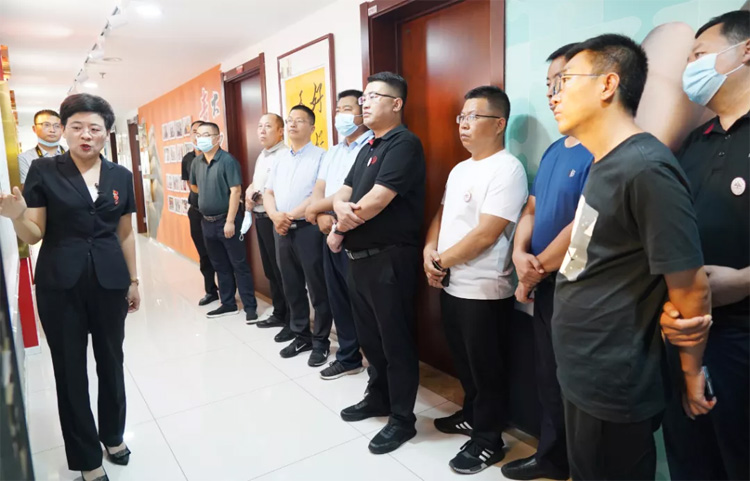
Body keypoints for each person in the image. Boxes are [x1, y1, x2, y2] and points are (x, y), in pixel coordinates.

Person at [549, 34, 714, 480]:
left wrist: (691, 373)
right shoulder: (605, 161)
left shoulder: (647, 167)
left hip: (613, 378)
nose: (555, 96)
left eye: (565, 81)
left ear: (607, 84)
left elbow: (691, 288)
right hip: (582, 365)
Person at [0, 94, 140, 481]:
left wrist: (133, 281)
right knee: (70, 371)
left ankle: (113, 435)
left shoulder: (120, 175)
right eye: (76, 126)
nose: (85, 135)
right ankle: (87, 458)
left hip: (110, 282)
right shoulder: (45, 170)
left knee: (112, 361)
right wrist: (17, 217)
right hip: (60, 285)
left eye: (94, 128)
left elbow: (125, 233)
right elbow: (35, 232)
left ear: (106, 133)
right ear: (64, 130)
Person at [660, 11, 749, 481]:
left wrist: (744, 280)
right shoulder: (693, 143)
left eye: (699, 54)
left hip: (742, 335)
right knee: (690, 456)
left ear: (745, 51)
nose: (689, 67)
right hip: (686, 331)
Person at [423, 85, 527, 474]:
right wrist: (429, 250)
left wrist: (440, 261)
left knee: (486, 369)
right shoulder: (460, 168)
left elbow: (486, 233)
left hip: (484, 290)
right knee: (465, 362)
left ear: (499, 123)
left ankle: (489, 441)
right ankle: (471, 416)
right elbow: (442, 214)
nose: (463, 124)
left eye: (473, 117)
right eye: (462, 117)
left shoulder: (508, 169)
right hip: (451, 282)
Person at [503, 44, 593, 481]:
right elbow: (533, 208)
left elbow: (584, 225)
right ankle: (552, 459)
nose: (553, 91)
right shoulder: (556, 149)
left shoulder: (603, 150)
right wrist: (519, 254)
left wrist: (533, 267)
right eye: (549, 84)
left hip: (579, 286)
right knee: (549, 375)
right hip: (543, 282)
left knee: (578, 384)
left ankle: (580, 465)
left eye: (562, 80)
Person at [329, 72, 425, 455]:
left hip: (389, 259)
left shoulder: (404, 144)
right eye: (364, 97)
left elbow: (378, 200)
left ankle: (402, 419)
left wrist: (339, 225)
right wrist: (340, 211)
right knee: (371, 338)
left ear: (396, 103)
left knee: (395, 340)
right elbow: (344, 192)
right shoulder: (369, 144)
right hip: (358, 259)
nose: (364, 103)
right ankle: (378, 397)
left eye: (373, 96)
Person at [305, 90, 372, 380]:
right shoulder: (332, 151)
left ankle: (374, 361)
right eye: (337, 109)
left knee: (361, 301)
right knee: (338, 298)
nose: (340, 115)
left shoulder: (370, 146)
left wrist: (315, 209)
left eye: (346, 109)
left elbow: (355, 191)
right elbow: (320, 187)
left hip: (354, 230)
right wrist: (320, 214)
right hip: (326, 228)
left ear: (361, 113)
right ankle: (348, 357)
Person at [264, 105, 332, 367]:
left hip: (308, 229)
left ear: (312, 127)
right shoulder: (280, 158)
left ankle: (321, 341)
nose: (292, 124)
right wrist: (275, 216)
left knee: (317, 288)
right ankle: (301, 335)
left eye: (299, 121)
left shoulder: (322, 156)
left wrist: (288, 216)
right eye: (290, 120)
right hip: (281, 229)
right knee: (291, 285)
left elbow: (318, 195)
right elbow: (268, 192)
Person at [189, 122, 258, 321]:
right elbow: (194, 187)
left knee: (239, 264)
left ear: (218, 138)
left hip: (227, 221)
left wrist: (230, 221)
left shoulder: (227, 161)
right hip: (206, 222)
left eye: (206, 134)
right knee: (219, 265)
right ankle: (228, 304)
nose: (201, 138)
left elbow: (236, 191)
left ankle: (250, 307)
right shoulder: (196, 162)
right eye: (199, 134)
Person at [245, 113, 293, 341]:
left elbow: (280, 191)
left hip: (276, 219)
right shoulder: (262, 155)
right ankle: (280, 312)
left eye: (268, 126)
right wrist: (250, 193)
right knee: (271, 270)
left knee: (284, 271)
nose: (262, 130)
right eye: (259, 126)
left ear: (281, 131)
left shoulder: (285, 155)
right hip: (261, 217)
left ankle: (293, 320)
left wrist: (258, 197)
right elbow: (257, 183)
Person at [181, 120, 219, 306]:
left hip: (216, 213)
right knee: (203, 254)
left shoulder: (217, 157)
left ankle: (228, 290)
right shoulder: (188, 159)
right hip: (196, 211)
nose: (198, 136)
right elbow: (190, 184)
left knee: (219, 253)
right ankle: (210, 290)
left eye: (202, 132)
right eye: (194, 132)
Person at [18, 109, 66, 187]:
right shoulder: (25, 158)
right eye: (46, 125)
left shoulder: (72, 153)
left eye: (57, 126)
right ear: (34, 129)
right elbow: (28, 189)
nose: (52, 130)